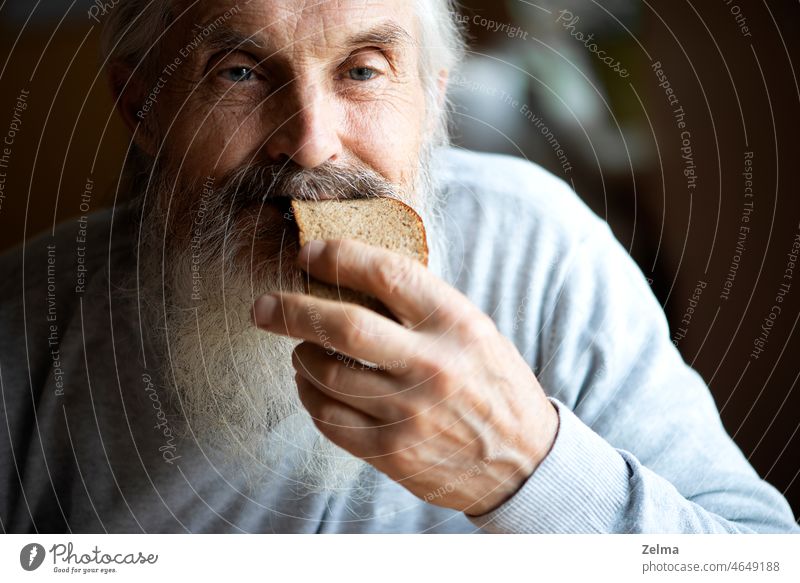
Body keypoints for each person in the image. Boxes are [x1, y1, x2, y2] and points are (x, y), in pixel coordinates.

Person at [0, 0, 797, 533]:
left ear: (432, 99)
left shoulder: (545, 252)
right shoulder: (26, 324)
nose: (310, 142)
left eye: (363, 69)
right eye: (238, 72)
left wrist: (526, 467)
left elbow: (755, 552)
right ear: (142, 109)